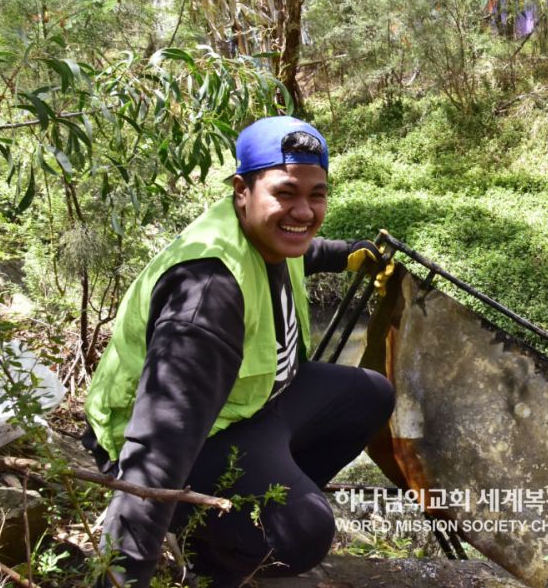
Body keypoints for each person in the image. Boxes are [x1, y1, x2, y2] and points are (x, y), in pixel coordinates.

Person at [82, 116, 396, 588]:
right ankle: (210, 548)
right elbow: (156, 451)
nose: (305, 212)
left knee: (369, 393)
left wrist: (345, 252)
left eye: (317, 194)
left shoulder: (264, 235)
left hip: (248, 408)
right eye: (286, 193)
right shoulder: (208, 296)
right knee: (306, 532)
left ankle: (261, 503)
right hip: (188, 441)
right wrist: (120, 577)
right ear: (242, 190)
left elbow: (300, 247)